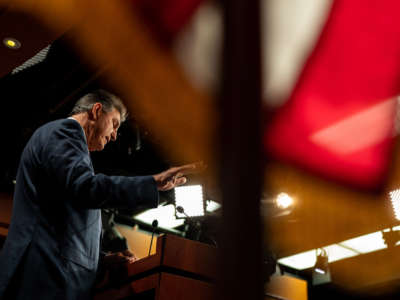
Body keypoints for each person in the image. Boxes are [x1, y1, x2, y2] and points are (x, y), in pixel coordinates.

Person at [0, 90, 198, 300]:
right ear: (96, 110)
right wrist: (152, 183)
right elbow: (86, 188)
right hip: (43, 278)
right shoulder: (65, 132)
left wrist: (101, 260)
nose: (114, 135)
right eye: (115, 123)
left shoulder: (67, 146)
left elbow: (62, 225)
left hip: (52, 277)